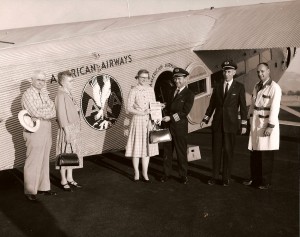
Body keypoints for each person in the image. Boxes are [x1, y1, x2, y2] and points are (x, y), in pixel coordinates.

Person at [200, 61, 247, 186]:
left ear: (234, 72)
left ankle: (226, 177)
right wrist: (206, 118)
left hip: (231, 124)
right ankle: (214, 176)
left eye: (229, 72)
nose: (226, 74)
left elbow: (243, 107)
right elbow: (212, 105)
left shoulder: (239, 87)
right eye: (225, 71)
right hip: (217, 124)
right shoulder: (218, 85)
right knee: (216, 151)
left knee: (228, 151)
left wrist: (243, 124)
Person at [243, 63, 282, 190]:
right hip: (255, 123)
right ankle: (254, 178)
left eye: (263, 71)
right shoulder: (257, 86)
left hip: (265, 124)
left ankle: (265, 182)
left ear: (268, 71)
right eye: (258, 72)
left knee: (265, 154)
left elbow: (275, 108)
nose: (260, 74)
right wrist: (249, 119)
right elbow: (253, 104)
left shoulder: (274, 88)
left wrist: (270, 126)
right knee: (255, 152)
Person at [21, 70, 57, 201]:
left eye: (43, 80)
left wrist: (43, 111)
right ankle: (30, 190)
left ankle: (44, 187)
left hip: (46, 126)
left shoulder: (44, 93)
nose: (41, 82)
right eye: (38, 80)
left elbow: (53, 110)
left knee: (44, 158)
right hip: (34, 128)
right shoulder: (27, 94)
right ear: (32, 80)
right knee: (34, 159)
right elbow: (34, 111)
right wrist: (44, 111)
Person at [160, 67, 195, 184]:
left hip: (180, 127)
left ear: (185, 79)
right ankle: (166, 174)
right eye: (175, 79)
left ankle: (183, 175)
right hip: (168, 127)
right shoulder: (171, 91)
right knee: (167, 152)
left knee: (181, 152)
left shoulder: (189, 94)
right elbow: (169, 105)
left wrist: (170, 118)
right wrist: (163, 106)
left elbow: (184, 112)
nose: (177, 81)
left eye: (179, 79)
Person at [125, 69, 159, 182]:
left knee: (147, 148)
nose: (144, 79)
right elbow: (128, 108)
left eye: (146, 77)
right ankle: (136, 173)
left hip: (148, 121)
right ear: (137, 78)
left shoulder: (150, 89)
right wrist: (142, 112)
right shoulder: (133, 90)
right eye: (142, 77)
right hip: (138, 120)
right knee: (136, 148)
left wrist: (156, 116)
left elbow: (153, 105)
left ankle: (145, 173)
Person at [55, 70, 83, 191]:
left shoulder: (68, 93)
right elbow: (61, 115)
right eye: (70, 81)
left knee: (72, 154)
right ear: (62, 82)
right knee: (64, 154)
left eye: (72, 80)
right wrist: (67, 132)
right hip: (67, 128)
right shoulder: (60, 95)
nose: (72, 83)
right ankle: (63, 180)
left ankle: (70, 178)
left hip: (74, 127)